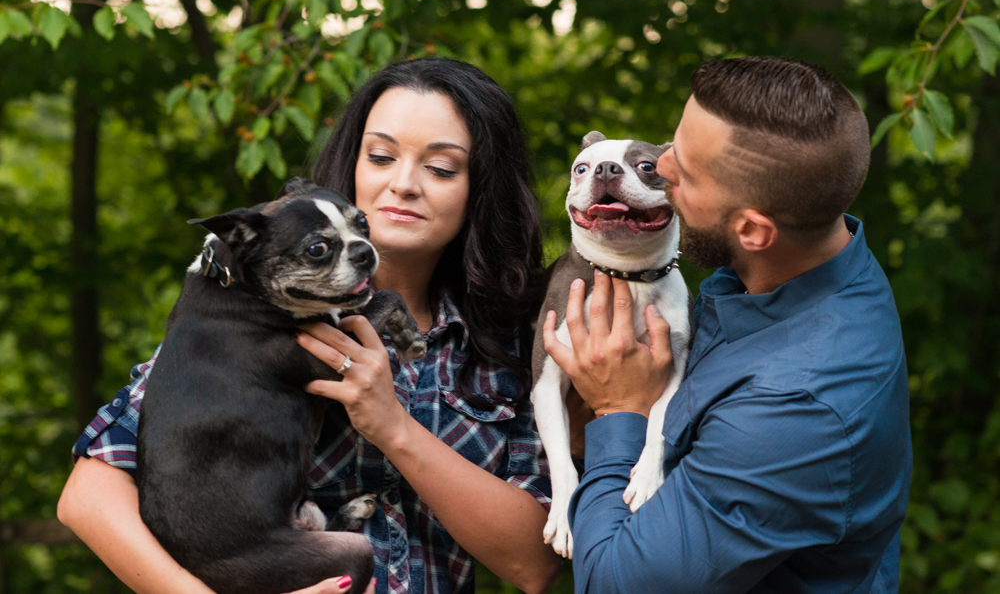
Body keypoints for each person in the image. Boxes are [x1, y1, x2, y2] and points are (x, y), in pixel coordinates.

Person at [58, 58, 562, 594]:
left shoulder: (511, 338)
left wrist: (393, 426)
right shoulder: (249, 310)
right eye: (381, 156)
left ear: (481, 188)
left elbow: (532, 565)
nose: (403, 184)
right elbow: (87, 497)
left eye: (441, 168)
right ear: (354, 165)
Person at [544, 56, 912, 593]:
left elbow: (612, 583)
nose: (661, 167)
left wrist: (617, 410)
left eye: (684, 171)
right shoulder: (798, 265)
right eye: (672, 144)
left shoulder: (793, 412)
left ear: (753, 230)